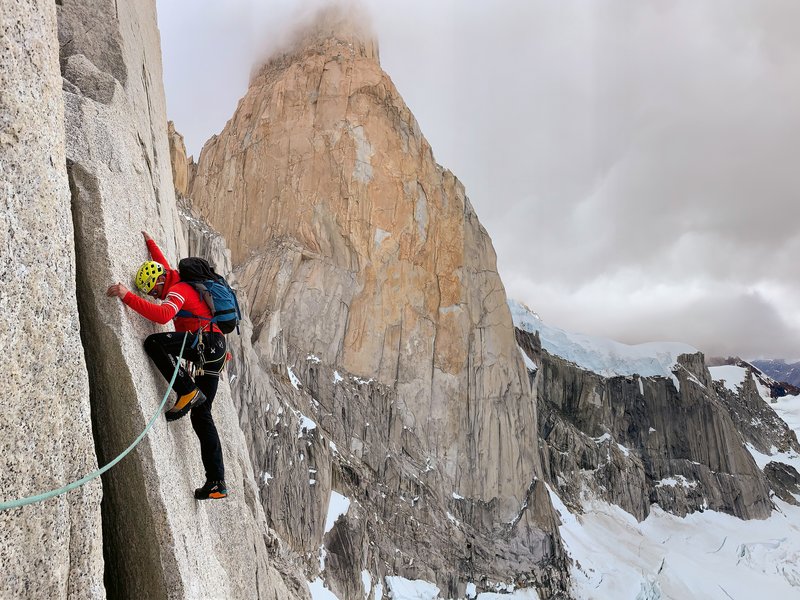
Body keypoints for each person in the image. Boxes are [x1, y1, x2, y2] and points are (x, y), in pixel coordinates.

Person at [106, 231, 228, 500]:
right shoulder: (175, 277)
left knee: (153, 343)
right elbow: (161, 264)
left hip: (204, 344)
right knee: (202, 414)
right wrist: (150, 245)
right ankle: (217, 482)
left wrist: (127, 296)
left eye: (155, 290)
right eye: (151, 293)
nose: (157, 295)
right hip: (215, 350)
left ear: (161, 281)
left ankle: (186, 390)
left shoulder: (178, 289)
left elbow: (163, 315)